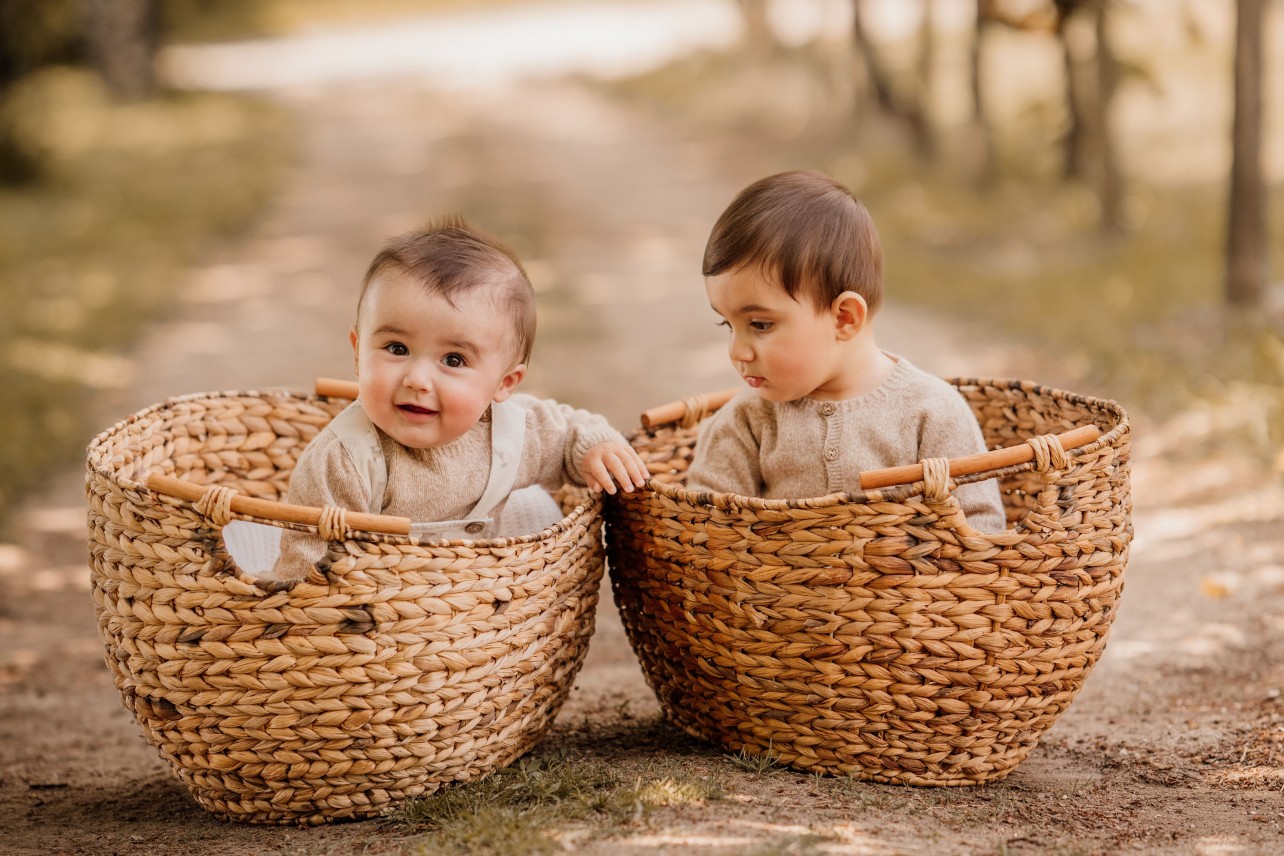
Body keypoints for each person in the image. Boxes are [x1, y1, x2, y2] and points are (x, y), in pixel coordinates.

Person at [273, 218, 649, 581]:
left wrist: (595, 447)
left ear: (504, 384)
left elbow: (570, 433)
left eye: (453, 360)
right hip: (374, 621)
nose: (417, 379)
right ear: (358, 353)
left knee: (535, 508)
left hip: (483, 610)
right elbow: (306, 564)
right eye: (396, 348)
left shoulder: (511, 430)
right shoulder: (343, 459)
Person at [684, 170, 1006, 533]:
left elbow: (980, 524)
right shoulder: (748, 420)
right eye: (727, 325)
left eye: (759, 325)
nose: (737, 352)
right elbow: (705, 524)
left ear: (844, 318)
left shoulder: (931, 412)